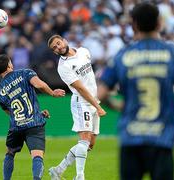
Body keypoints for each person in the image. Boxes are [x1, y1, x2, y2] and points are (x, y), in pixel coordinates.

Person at [98, 2, 174, 180]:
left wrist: (118, 106)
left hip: (131, 136)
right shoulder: (172, 53)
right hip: (162, 137)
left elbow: (101, 94)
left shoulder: (123, 55)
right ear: (159, 23)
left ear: (134, 25)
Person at [0, 54, 65, 180]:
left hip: (16, 126)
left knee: (10, 153)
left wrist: (36, 112)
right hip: (34, 123)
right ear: (10, 64)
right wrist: (52, 93)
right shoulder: (24, 73)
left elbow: (8, 110)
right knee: (37, 156)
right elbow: (39, 85)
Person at [47, 35, 106, 180]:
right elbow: (80, 88)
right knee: (84, 140)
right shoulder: (63, 67)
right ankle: (80, 176)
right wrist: (96, 106)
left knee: (90, 145)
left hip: (93, 100)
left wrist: (97, 101)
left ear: (64, 41)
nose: (58, 47)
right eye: (54, 48)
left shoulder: (84, 51)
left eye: (58, 43)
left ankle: (58, 170)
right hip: (82, 102)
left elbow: (90, 76)